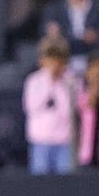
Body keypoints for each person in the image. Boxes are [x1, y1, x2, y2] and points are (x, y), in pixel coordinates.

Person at [22, 34, 77, 175]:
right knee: (40, 182)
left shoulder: (70, 80)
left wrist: (58, 84)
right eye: (50, 58)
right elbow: (32, 108)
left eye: (57, 58)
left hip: (64, 141)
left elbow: (68, 111)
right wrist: (49, 81)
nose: (54, 63)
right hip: (40, 140)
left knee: (66, 181)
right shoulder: (33, 81)